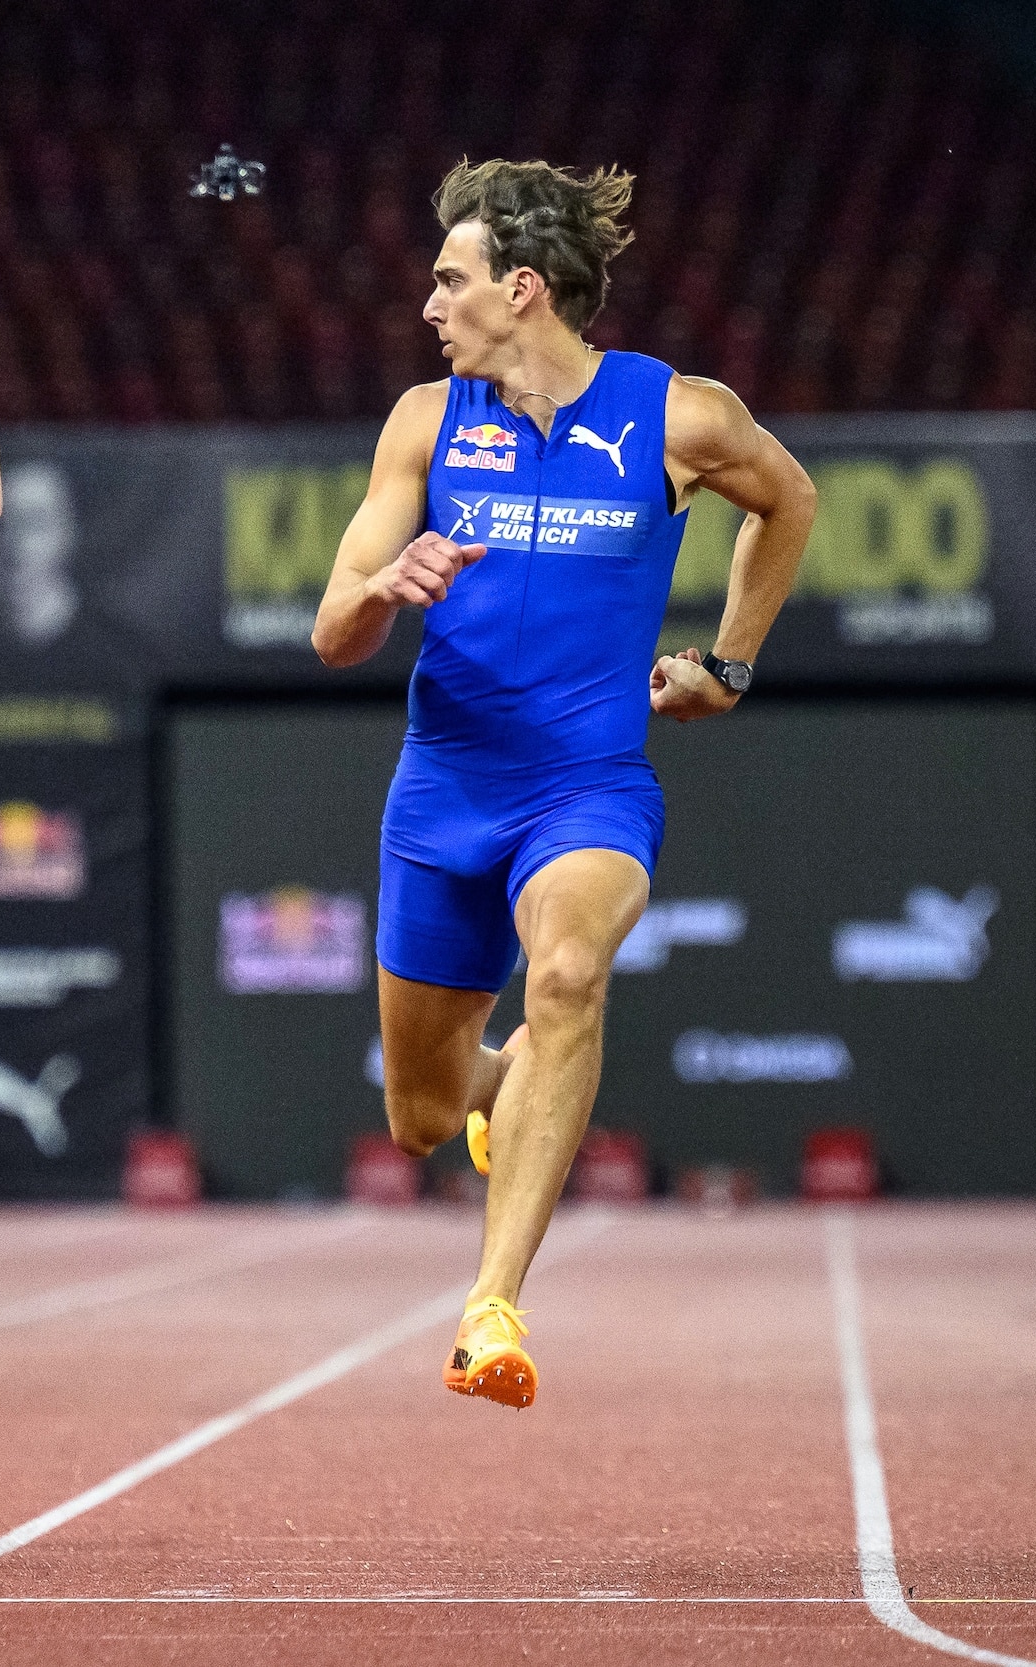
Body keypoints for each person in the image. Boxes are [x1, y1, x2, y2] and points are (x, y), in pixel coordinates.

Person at [313, 159, 815, 1408]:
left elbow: (788, 499)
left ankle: (491, 1305)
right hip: (442, 790)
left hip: (587, 784)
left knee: (568, 974)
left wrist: (728, 662)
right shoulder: (422, 425)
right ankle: (504, 1089)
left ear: (520, 289)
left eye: (450, 278)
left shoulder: (678, 416)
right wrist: (382, 589)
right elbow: (330, 629)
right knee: (423, 1116)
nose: (429, 303)